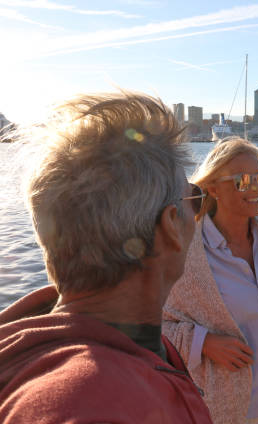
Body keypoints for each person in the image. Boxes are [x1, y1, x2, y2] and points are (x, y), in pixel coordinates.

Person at [0, 91, 213, 424]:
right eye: (195, 200)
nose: (198, 216)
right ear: (171, 225)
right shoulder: (86, 405)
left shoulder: (129, 346)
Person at [163, 137, 258, 424]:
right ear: (213, 188)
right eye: (244, 180)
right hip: (217, 411)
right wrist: (203, 342)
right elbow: (156, 323)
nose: (256, 188)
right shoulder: (189, 246)